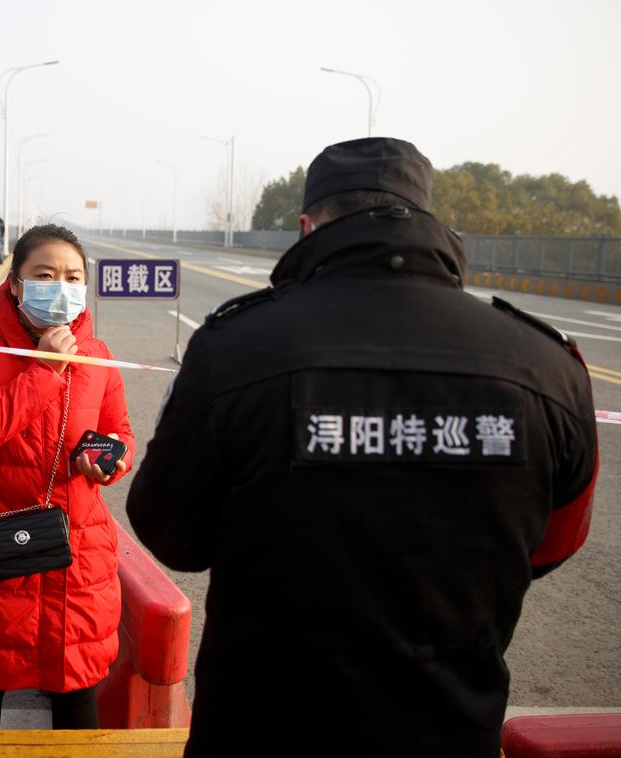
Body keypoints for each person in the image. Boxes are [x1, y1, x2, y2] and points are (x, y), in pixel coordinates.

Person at [127, 137, 597, 758]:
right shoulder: (547, 365)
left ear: (305, 227)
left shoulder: (234, 348)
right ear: (432, 221)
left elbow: (171, 534)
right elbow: (553, 543)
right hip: (449, 734)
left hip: (258, 731)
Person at [0, 224, 135, 729]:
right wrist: (46, 369)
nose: (61, 287)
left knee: (76, 684)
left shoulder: (99, 355)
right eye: (45, 274)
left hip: (77, 556)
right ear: (15, 283)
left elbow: (118, 433)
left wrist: (108, 461)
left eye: (72, 277)